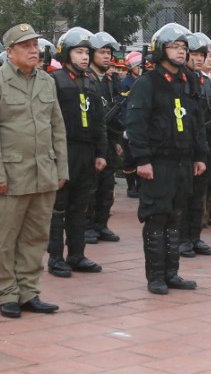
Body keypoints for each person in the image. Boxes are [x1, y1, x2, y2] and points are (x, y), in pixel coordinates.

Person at [0, 23, 69, 318]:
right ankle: (6, 294)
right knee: (4, 240)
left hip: (43, 173)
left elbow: (57, 127)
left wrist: (61, 168)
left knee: (35, 237)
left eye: (35, 45)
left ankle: (29, 290)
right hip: (10, 176)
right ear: (10, 52)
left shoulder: (46, 82)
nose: (34, 50)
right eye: (26, 46)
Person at [125, 23, 208, 294]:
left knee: (176, 217)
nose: (181, 52)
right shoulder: (147, 83)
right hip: (158, 162)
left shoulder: (190, 81)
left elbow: (197, 121)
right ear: (160, 51)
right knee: (157, 218)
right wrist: (142, 160)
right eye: (175, 47)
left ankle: (172, 272)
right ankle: (156, 277)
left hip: (183, 161)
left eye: (184, 47)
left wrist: (200, 155)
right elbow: (136, 123)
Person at [46, 27, 106, 278]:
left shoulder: (91, 82)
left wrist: (101, 153)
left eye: (86, 52)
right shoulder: (54, 80)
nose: (84, 57)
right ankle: (56, 257)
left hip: (86, 152)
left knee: (80, 205)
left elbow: (99, 121)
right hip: (63, 150)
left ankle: (77, 254)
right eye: (79, 52)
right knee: (58, 206)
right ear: (66, 53)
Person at [179, 32, 211, 257]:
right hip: (185, 144)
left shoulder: (208, 83)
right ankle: (183, 238)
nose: (197, 59)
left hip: (202, 144)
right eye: (193, 54)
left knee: (199, 194)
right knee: (185, 194)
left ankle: (195, 236)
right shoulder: (181, 81)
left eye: (201, 55)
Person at [86, 31, 122, 244]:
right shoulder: (87, 79)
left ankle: (101, 223)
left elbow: (117, 112)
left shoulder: (111, 80)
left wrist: (117, 140)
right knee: (91, 185)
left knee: (107, 185)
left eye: (109, 52)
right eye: (102, 52)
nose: (107, 56)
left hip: (109, 138)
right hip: (91, 140)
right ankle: (88, 225)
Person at [121, 51, 143, 198]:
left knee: (140, 156)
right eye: (138, 65)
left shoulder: (145, 80)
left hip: (142, 123)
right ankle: (131, 186)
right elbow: (123, 106)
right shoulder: (125, 84)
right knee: (129, 158)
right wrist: (125, 126)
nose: (141, 68)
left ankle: (141, 185)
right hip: (128, 123)